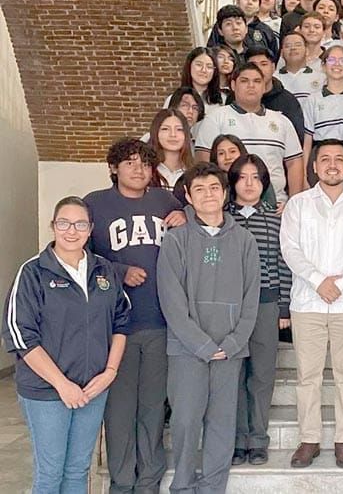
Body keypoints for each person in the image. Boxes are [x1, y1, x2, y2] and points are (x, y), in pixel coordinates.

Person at [3, 196, 129, 494]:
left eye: (80, 224)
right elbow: (21, 336)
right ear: (53, 226)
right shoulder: (33, 272)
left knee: (77, 470)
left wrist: (109, 372)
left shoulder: (104, 271)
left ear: (90, 229)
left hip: (93, 389)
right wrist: (62, 384)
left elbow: (121, 322)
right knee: (50, 473)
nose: (72, 231)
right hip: (47, 392)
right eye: (64, 223)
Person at [83, 139, 185, 493]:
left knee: (153, 409)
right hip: (117, 328)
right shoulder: (94, 204)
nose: (138, 169)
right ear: (114, 168)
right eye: (129, 162)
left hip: (160, 323)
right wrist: (118, 269)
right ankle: (121, 483)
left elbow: (188, 234)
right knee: (120, 412)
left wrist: (184, 216)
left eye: (144, 162)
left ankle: (149, 484)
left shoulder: (165, 200)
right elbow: (78, 256)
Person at [157, 162, 259, 494]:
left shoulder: (244, 240)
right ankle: (183, 486)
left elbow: (251, 298)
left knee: (221, 424)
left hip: (230, 350)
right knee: (186, 421)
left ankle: (213, 487)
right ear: (187, 195)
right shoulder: (175, 241)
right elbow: (171, 301)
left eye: (214, 187)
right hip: (187, 350)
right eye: (199, 189)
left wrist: (232, 342)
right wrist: (200, 345)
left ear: (225, 192)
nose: (208, 195)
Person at [279, 139, 343, 469]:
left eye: (339, 159)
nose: (332, 164)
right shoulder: (298, 205)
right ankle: (309, 439)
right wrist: (317, 281)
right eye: (325, 159)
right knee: (308, 375)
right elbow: (290, 249)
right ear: (315, 166)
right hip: (307, 302)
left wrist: (340, 282)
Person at [226, 154, 292, 467]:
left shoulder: (276, 218)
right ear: (233, 182)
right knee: (234, 375)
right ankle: (237, 441)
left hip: (266, 305)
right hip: (230, 309)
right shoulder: (222, 220)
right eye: (243, 177)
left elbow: (283, 264)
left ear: (264, 183)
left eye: (256, 177)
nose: (249, 183)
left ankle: (258, 440)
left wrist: (283, 306)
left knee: (262, 376)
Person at [195, 63, 303, 204]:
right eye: (244, 81)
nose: (251, 85)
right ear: (233, 85)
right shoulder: (216, 118)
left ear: (264, 87)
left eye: (257, 81)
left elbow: (294, 163)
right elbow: (204, 163)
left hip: (275, 205)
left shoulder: (281, 121)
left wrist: (292, 203)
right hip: (229, 206)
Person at [301, 45, 343, 192]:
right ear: (324, 66)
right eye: (331, 60)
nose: (337, 64)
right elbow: (307, 142)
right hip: (320, 155)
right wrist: (303, 177)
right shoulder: (312, 100)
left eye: (342, 60)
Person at [246, 46, 305, 144]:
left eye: (264, 64)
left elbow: (297, 139)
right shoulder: (237, 97)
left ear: (273, 67)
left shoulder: (288, 101)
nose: (259, 69)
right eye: (253, 65)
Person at [147, 109, 194, 190]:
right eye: (165, 129)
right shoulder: (146, 171)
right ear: (156, 132)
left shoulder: (194, 173)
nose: (173, 134)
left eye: (179, 129)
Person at [277, 31, 325, 103]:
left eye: (298, 45)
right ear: (281, 53)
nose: (293, 48)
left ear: (307, 51)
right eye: (288, 46)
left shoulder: (322, 78)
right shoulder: (274, 79)